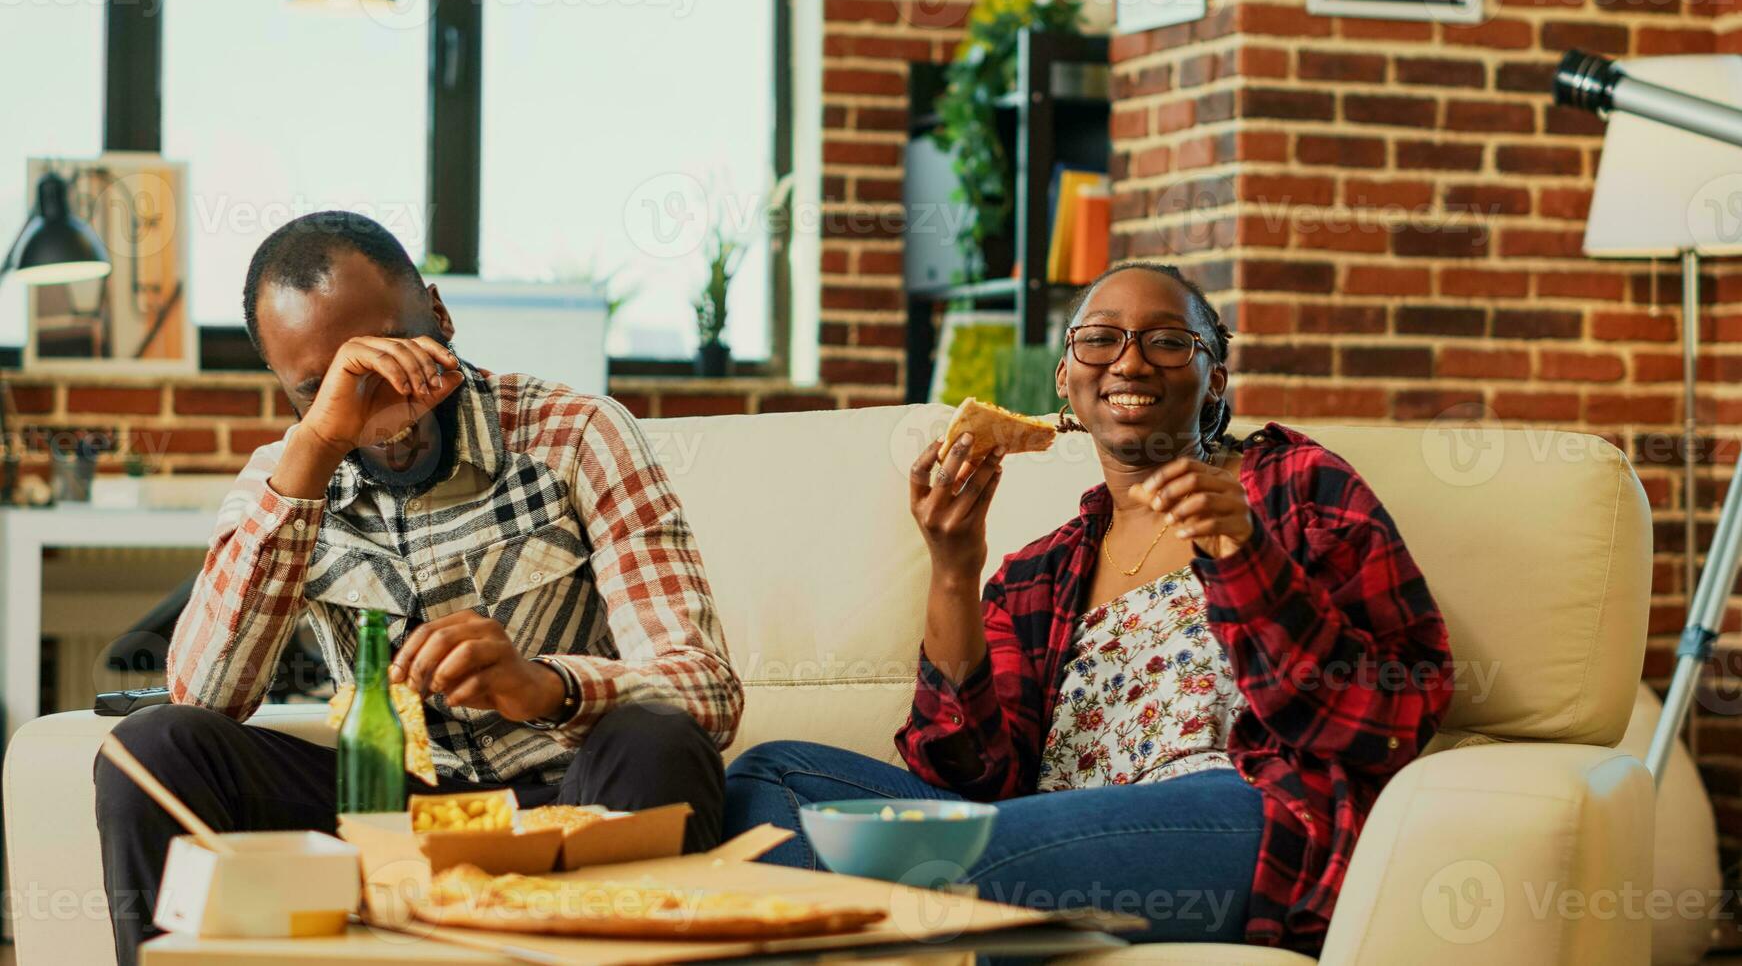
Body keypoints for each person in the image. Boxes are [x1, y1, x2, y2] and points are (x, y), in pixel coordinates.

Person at [723, 261, 1452, 952]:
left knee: (906, 864)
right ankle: (933, 926)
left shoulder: (1295, 485)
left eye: (1168, 342)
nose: (1130, 363)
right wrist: (953, 566)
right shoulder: (1040, 574)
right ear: (1065, 378)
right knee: (773, 775)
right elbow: (969, 776)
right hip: (1043, 832)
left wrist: (1245, 554)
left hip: (1233, 813)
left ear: (1214, 379)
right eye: (1099, 339)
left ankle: (887, 913)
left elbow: (1399, 711)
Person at [95, 211, 741, 966]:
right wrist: (315, 448)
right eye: (325, 388)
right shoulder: (285, 477)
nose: (384, 412)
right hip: (381, 818)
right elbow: (203, 698)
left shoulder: (577, 435)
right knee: (152, 748)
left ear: (440, 312)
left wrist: (544, 686)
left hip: (567, 801)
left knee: (657, 734)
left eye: (400, 356)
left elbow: (708, 693)